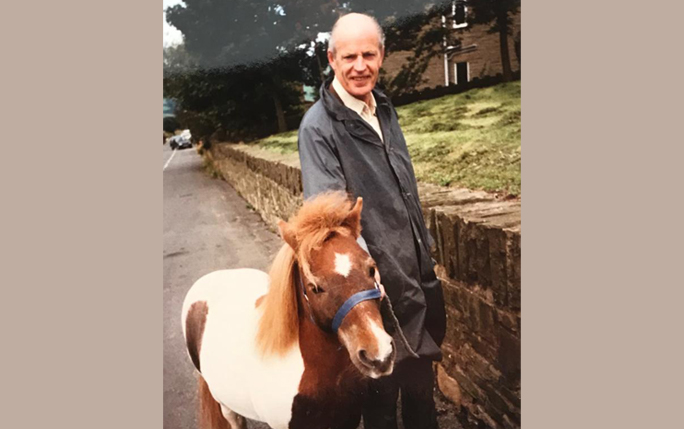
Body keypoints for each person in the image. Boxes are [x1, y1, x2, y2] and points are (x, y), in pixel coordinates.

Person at [297, 12, 447, 429]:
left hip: (419, 278)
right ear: (331, 58)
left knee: (422, 398)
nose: (359, 66)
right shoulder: (318, 127)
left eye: (368, 54)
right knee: (380, 406)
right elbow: (330, 224)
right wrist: (370, 283)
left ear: (382, 55)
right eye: (349, 57)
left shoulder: (382, 106)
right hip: (375, 294)